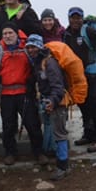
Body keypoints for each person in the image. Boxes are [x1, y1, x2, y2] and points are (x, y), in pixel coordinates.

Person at [0, 22, 48, 166]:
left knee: (32, 124)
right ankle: (10, 153)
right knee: (8, 126)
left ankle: (39, 152)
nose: (7, 36)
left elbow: (36, 66)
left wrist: (33, 79)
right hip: (7, 93)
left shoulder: (26, 50)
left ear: (16, 34)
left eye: (10, 33)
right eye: (5, 34)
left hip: (24, 92)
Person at [63, 6, 96, 154]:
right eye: (73, 17)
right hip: (77, 75)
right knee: (82, 104)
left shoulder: (88, 30)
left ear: (82, 18)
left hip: (92, 73)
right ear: (69, 18)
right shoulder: (67, 34)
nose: (76, 20)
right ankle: (88, 134)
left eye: (78, 17)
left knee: (93, 104)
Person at [24, 34, 72, 180]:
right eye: (29, 47)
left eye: (33, 47)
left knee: (60, 133)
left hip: (57, 103)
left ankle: (63, 166)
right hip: (49, 101)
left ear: (40, 47)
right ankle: (60, 163)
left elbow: (58, 86)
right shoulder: (39, 62)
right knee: (55, 132)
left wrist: (52, 101)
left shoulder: (49, 63)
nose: (31, 50)